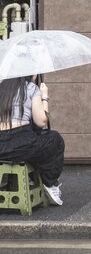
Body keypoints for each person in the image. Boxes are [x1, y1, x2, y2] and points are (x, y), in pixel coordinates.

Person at [0, 76, 65, 205]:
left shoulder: (1, 87)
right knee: (55, 139)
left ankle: (11, 183)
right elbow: (41, 122)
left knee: (36, 144)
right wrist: (44, 97)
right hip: (21, 142)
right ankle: (50, 184)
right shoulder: (30, 88)